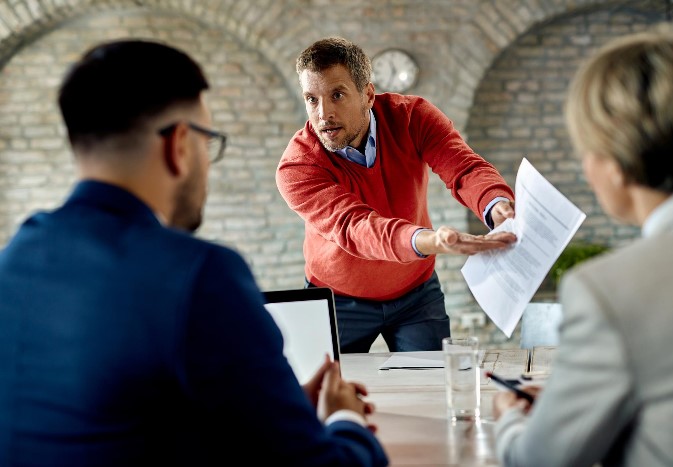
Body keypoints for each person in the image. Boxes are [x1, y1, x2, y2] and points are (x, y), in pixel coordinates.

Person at [0, 39, 388, 467]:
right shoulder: (200, 274)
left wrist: (274, 404)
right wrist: (344, 421)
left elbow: (109, 418)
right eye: (207, 140)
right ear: (180, 145)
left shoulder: (17, 257)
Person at [492, 25, 673, 466]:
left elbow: (539, 461)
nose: (586, 169)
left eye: (587, 150)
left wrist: (510, 418)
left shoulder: (612, 290)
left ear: (620, 162)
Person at [276, 36, 517, 353]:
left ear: (368, 95)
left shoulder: (413, 117)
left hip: (416, 294)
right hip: (337, 299)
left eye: (337, 95)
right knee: (328, 395)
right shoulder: (298, 166)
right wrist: (429, 241)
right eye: (312, 99)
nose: (323, 114)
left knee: (431, 387)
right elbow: (356, 227)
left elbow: (463, 167)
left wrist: (496, 203)